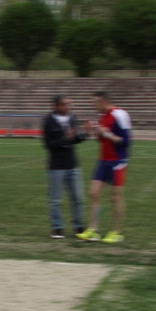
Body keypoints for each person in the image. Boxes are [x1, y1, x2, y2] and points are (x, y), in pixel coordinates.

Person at [77, 91, 131, 244]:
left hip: (118, 161)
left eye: (96, 103)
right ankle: (93, 230)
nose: (94, 107)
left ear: (104, 102)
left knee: (115, 197)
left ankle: (117, 232)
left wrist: (108, 135)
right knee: (93, 193)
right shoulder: (102, 118)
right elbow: (103, 141)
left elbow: (126, 141)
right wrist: (97, 132)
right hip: (103, 160)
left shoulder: (120, 114)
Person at [43, 95, 87, 239]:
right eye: (65, 104)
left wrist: (84, 134)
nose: (68, 107)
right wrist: (65, 139)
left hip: (72, 164)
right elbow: (48, 145)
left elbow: (75, 139)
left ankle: (79, 226)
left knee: (78, 197)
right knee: (56, 199)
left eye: (69, 104)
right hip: (56, 166)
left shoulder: (72, 118)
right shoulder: (48, 121)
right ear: (56, 106)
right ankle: (57, 228)